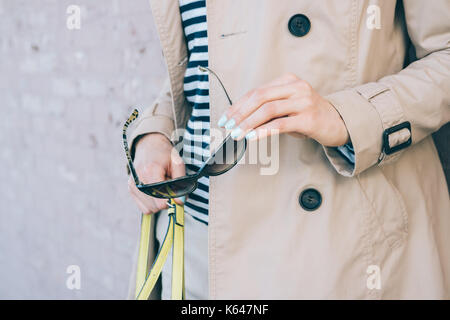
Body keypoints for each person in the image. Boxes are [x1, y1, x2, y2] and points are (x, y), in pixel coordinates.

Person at [127, 0, 450, 299]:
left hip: (337, 241)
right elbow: (201, 63)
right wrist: (157, 131)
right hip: (194, 245)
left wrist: (350, 116)